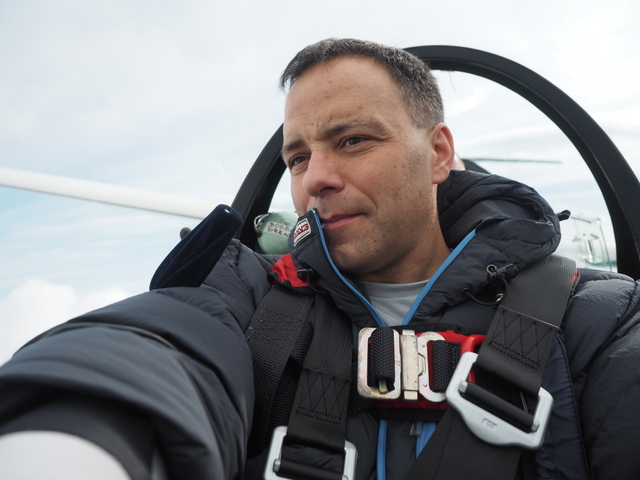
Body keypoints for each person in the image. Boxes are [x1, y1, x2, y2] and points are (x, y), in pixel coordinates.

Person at [0, 38, 639, 480]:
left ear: (439, 154)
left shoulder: (598, 321)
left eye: (353, 140)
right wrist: (77, 440)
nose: (315, 180)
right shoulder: (248, 298)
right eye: (298, 157)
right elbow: (162, 341)